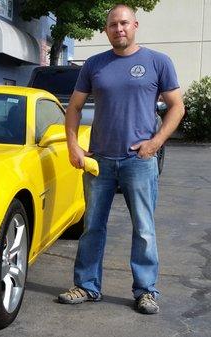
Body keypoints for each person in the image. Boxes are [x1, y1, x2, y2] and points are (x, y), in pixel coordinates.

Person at [57, 4, 185, 314]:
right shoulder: (95, 65)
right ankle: (87, 286)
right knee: (92, 227)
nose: (119, 29)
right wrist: (74, 146)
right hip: (99, 160)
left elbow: (176, 106)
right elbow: (73, 107)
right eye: (113, 24)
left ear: (135, 25)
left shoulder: (158, 62)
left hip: (138, 162)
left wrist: (154, 143)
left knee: (143, 228)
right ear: (106, 30)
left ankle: (145, 291)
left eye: (124, 23)